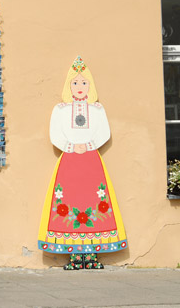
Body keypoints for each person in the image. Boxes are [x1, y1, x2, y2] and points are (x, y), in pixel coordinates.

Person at [37, 56, 127, 269]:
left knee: (94, 200)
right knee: (69, 200)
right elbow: (54, 133)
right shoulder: (61, 110)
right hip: (69, 162)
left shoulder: (97, 110)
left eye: (84, 82)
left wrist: (89, 144)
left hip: (91, 162)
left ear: (90, 85)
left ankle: (93, 255)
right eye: (75, 83)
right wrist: (70, 145)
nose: (80, 87)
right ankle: (75, 255)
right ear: (69, 86)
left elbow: (104, 132)